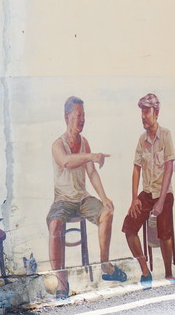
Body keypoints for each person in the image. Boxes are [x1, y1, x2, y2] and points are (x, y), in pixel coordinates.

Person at [48, 96, 126, 299]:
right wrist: (91, 156)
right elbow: (66, 162)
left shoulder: (84, 143)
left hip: (82, 199)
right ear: (67, 117)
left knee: (107, 212)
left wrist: (104, 197)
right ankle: (61, 280)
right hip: (63, 201)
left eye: (84, 115)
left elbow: (91, 172)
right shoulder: (58, 145)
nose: (82, 119)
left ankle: (105, 265)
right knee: (54, 224)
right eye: (78, 115)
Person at [122, 93, 175, 288]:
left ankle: (168, 274)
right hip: (147, 193)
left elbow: (169, 168)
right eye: (142, 112)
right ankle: (145, 270)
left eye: (147, 112)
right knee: (128, 228)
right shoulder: (141, 140)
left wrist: (161, 201)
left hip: (164, 193)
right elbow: (136, 168)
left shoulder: (166, 135)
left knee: (165, 232)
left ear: (156, 113)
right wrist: (134, 198)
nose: (143, 116)